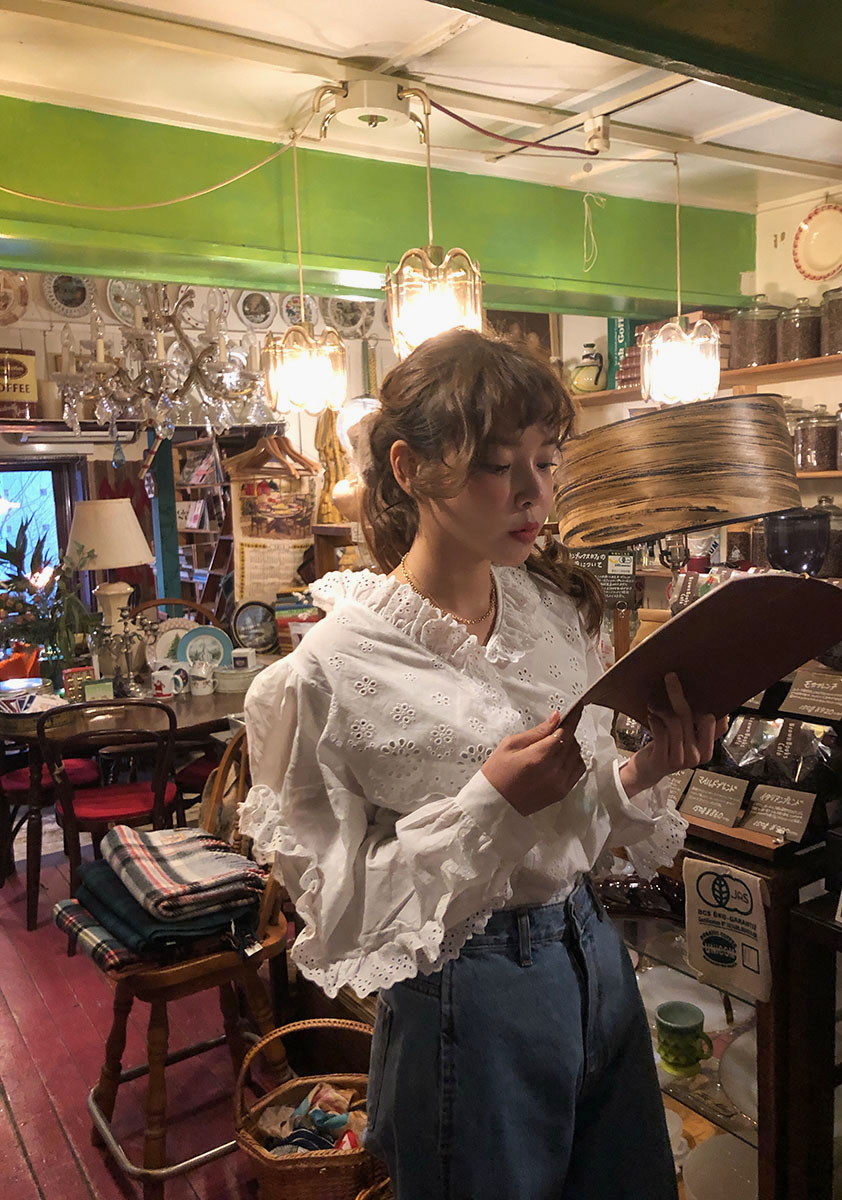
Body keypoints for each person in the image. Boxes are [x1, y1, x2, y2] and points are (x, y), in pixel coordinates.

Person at [240, 329, 725, 1199]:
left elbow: (577, 824)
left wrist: (645, 770)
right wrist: (488, 807)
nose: (535, 492)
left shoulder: (555, 611)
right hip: (466, 997)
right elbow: (343, 917)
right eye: (500, 466)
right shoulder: (328, 670)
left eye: (546, 459)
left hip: (595, 957)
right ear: (408, 468)